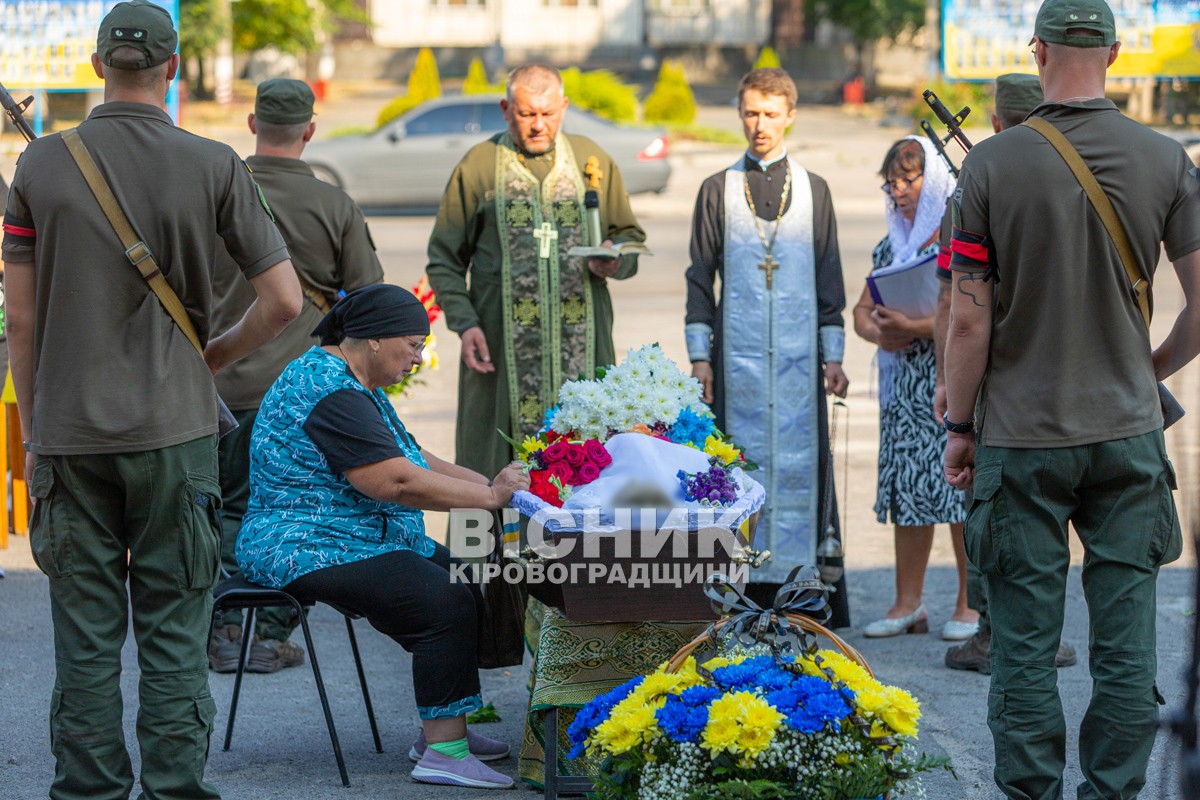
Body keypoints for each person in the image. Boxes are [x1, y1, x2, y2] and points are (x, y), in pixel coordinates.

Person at [1, 3, 302, 798]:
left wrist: (36, 436)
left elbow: (21, 323)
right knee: (174, 630)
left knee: (86, 637)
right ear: (173, 70)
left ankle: (90, 789)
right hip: (175, 433)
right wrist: (210, 356)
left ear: (99, 65)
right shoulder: (213, 163)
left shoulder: (40, 166)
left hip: (68, 436)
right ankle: (175, 787)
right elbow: (282, 301)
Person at [943, 1, 1200, 796]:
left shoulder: (990, 165)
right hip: (1126, 432)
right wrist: (1142, 368)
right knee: (1127, 645)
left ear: (1040, 50)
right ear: (1117, 53)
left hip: (1021, 437)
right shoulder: (1167, 159)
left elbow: (968, 319)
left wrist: (958, 425)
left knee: (1023, 641)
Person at [236, 284, 528, 790]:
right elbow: (390, 481)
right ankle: (443, 752)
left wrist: (491, 484)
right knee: (444, 599)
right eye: (413, 345)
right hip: (302, 542)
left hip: (351, 533)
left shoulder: (351, 381)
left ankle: (442, 730)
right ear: (373, 339)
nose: (418, 358)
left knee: (464, 579)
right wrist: (489, 500)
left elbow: (415, 458)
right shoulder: (329, 388)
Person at [207, 77, 384, 676]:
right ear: (310, 130)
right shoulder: (334, 205)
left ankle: (225, 629)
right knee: (300, 511)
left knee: (227, 508)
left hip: (220, 383)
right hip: (305, 396)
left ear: (253, 124)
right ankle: (271, 633)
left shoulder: (214, 193)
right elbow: (369, 302)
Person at [684, 67, 851, 626]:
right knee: (736, 464)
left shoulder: (813, 189)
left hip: (803, 363)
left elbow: (830, 276)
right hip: (737, 360)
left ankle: (805, 593)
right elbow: (698, 278)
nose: (761, 125)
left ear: (790, 117)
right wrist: (700, 356)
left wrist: (834, 356)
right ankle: (737, 593)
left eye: (772, 114)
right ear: (740, 114)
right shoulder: (717, 189)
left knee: (806, 467)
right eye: (752, 112)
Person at [426, 64, 647, 479]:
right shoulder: (479, 165)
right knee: (493, 473)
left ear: (564, 107)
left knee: (589, 468)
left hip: (583, 348)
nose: (538, 125)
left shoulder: (591, 160)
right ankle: (495, 546)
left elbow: (629, 236)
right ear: (506, 109)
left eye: (548, 113)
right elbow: (444, 258)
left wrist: (615, 260)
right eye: (527, 114)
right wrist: (465, 323)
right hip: (499, 349)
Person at [933, 73, 1077, 675]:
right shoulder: (1074, 181)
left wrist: (951, 393)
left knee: (991, 510)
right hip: (1072, 379)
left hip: (998, 386)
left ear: (996, 123)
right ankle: (1044, 634)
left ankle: (994, 633)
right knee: (1058, 516)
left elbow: (954, 304)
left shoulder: (974, 189)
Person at [852, 136, 975, 641]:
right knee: (908, 493)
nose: (900, 191)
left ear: (937, 183)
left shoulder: (958, 237)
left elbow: (971, 314)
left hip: (950, 385)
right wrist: (879, 330)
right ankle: (909, 603)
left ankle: (970, 605)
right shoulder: (890, 244)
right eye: (893, 182)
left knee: (958, 496)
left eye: (910, 179)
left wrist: (916, 325)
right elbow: (861, 311)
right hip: (903, 393)